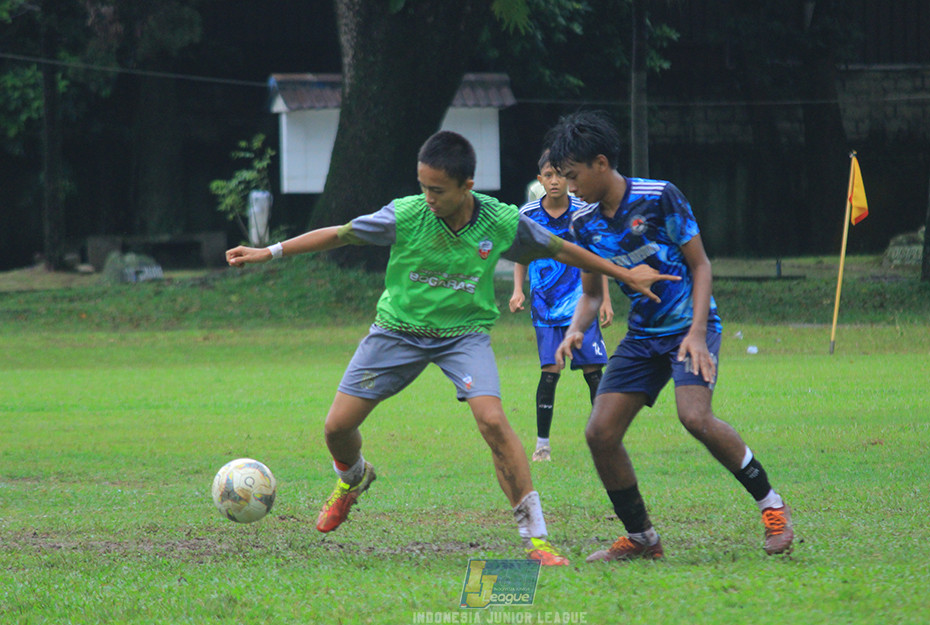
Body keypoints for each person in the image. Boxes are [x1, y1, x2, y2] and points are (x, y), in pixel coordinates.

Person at [225, 130, 674, 566]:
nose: (429, 198)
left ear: (467, 186)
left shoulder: (500, 221)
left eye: (438, 190)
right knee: (336, 429)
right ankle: (354, 479)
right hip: (397, 331)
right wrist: (271, 252)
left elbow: (563, 250)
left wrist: (624, 273)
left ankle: (536, 537)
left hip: (464, 335)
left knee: (493, 421)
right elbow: (341, 234)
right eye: (423, 187)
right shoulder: (405, 215)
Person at [545, 111, 795, 561]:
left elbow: (701, 266)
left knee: (695, 417)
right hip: (642, 337)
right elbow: (590, 293)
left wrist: (698, 333)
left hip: (688, 328)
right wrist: (573, 332)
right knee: (600, 433)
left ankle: (772, 506)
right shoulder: (583, 224)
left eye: (573, 175)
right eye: (563, 177)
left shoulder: (660, 197)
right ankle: (642, 538)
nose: (570, 186)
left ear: (601, 163)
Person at [510, 150, 614, 462]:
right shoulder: (527, 214)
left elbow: (597, 257)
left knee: (594, 373)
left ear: (568, 179)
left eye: (561, 175)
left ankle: (604, 441)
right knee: (550, 372)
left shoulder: (583, 211)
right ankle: (542, 444)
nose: (555, 181)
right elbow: (520, 255)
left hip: (582, 304)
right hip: (544, 307)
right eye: (549, 176)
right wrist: (518, 289)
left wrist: (605, 299)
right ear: (540, 180)